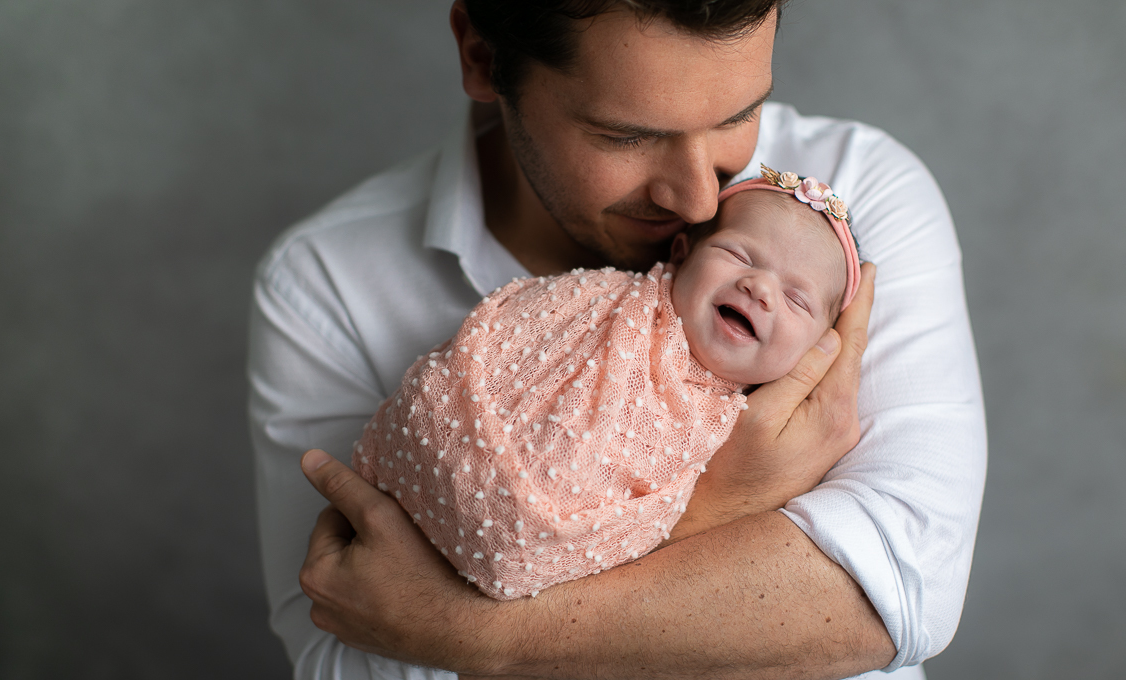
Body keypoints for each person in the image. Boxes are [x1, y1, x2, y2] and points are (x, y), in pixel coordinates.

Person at [247, 1, 986, 680]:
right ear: (481, 57)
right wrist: (721, 507)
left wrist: (470, 633)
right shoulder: (326, 285)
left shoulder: (855, 201)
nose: (701, 201)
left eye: (739, 114)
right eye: (627, 136)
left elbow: (896, 595)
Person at [355, 169, 863, 599]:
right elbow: (516, 333)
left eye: (798, 300)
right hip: (454, 439)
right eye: (739, 256)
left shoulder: (759, 432)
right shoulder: (603, 299)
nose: (761, 288)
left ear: (821, 347)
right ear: (682, 253)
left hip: (532, 556)